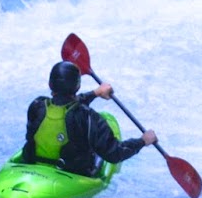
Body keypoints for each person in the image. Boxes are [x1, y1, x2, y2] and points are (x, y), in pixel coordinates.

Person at [21, 60, 156, 177]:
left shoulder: (36, 105)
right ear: (78, 86)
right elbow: (114, 153)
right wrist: (142, 141)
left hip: (31, 167)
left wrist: (95, 93)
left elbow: (65, 106)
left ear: (50, 84)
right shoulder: (88, 117)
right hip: (70, 175)